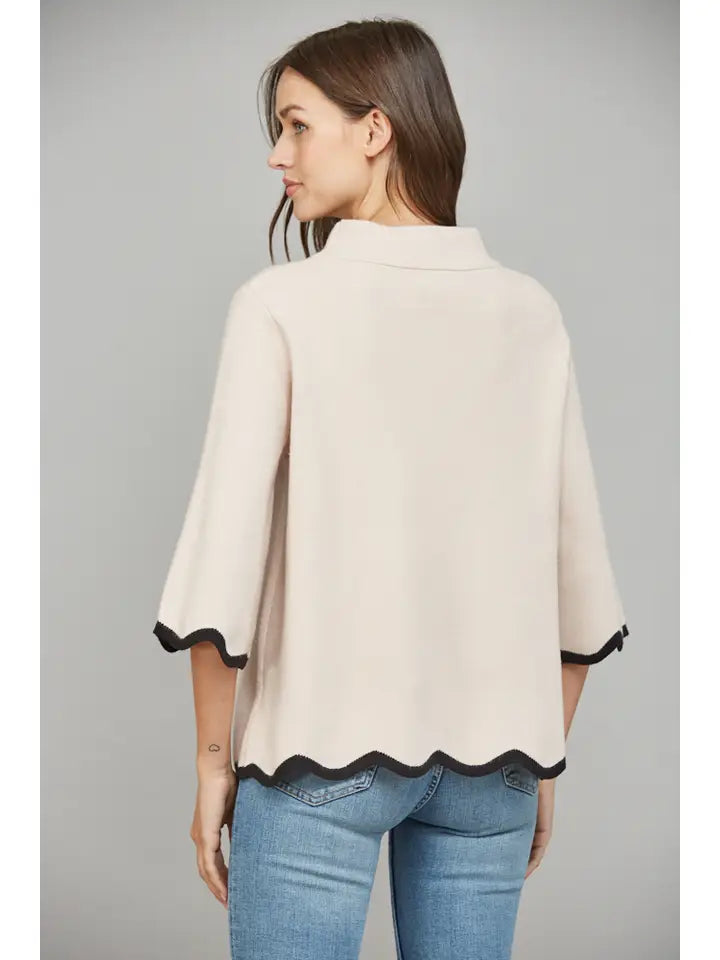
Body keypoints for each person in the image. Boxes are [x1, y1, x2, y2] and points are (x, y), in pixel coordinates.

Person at [151, 17, 629, 960]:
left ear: (375, 129)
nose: (277, 154)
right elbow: (578, 575)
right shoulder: (529, 311)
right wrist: (540, 757)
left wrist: (212, 765)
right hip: (496, 768)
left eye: (296, 125)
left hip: (318, 754)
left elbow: (220, 568)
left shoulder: (281, 305)